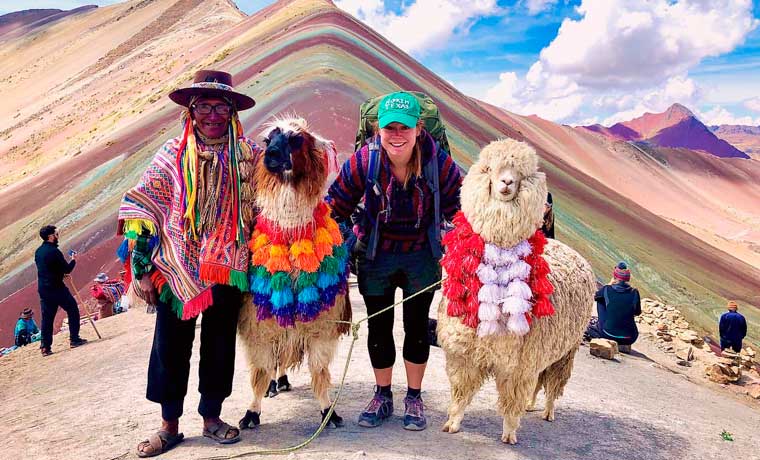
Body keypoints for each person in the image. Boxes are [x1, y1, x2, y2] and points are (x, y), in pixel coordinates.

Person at [119, 70, 260, 457]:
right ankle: (169, 425)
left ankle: (211, 417)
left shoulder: (248, 156)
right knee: (170, 344)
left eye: (221, 106)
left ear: (232, 112)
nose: (213, 114)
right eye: (204, 106)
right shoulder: (171, 155)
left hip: (229, 267)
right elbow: (144, 211)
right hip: (175, 268)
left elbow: (268, 202)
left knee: (220, 343)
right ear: (191, 111)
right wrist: (142, 267)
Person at [328, 91, 462, 431]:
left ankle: (414, 397)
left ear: (419, 128)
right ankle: (383, 394)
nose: (397, 135)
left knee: (417, 326)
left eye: (405, 127)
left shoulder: (438, 164)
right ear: (378, 129)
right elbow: (335, 207)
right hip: (376, 254)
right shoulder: (364, 161)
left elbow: (461, 211)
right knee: (378, 325)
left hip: (421, 255)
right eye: (390, 128)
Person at [34, 225, 88, 356]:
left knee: (47, 318)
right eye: (56, 233)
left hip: (44, 289)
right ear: (51, 236)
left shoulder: (38, 251)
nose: (58, 235)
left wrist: (59, 273)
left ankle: (45, 347)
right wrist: (74, 261)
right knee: (73, 309)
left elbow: (48, 268)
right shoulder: (54, 252)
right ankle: (74, 339)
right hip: (56, 288)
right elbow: (66, 269)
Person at [590, 261, 641, 350]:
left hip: (607, 334)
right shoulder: (635, 293)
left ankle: (600, 324)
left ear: (614, 276)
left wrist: (609, 284)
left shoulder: (607, 289)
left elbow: (595, 297)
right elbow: (637, 312)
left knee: (600, 300)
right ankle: (621, 335)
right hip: (630, 338)